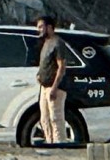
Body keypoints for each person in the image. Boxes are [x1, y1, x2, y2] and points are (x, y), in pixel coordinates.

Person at [36, 16, 68, 145]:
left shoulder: (58, 43)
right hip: (44, 86)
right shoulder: (46, 42)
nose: (39, 30)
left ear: (49, 27)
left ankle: (59, 143)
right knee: (44, 118)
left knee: (56, 118)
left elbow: (61, 66)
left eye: (41, 27)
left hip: (55, 87)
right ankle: (50, 143)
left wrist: (54, 87)